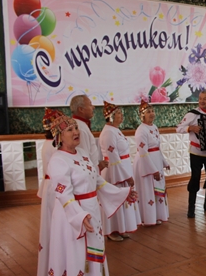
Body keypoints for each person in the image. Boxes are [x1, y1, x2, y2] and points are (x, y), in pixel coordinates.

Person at [45, 110, 138, 276]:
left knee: (94, 258)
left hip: (92, 212)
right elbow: (63, 194)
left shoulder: (84, 155)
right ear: (59, 137)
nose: (75, 131)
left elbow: (99, 182)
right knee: (78, 260)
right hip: (72, 219)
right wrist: (79, 216)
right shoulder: (58, 160)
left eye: (75, 127)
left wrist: (123, 193)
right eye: (69, 130)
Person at [99, 101, 141, 241]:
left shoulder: (115, 130)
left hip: (122, 168)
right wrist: (125, 177)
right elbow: (113, 157)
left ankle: (121, 228)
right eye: (118, 114)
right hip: (114, 172)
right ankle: (112, 231)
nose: (121, 116)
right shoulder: (108, 133)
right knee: (115, 199)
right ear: (110, 116)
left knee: (122, 199)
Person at [176, 90, 206, 217]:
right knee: (195, 178)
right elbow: (178, 128)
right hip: (196, 152)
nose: (202, 101)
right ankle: (191, 208)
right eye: (200, 98)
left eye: (205, 99)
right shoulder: (192, 114)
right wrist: (190, 128)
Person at [133, 100, 170, 225]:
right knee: (148, 190)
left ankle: (157, 216)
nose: (152, 114)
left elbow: (157, 148)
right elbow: (143, 152)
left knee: (158, 190)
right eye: (148, 112)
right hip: (145, 164)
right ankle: (147, 218)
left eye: (153, 111)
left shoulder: (154, 127)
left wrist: (164, 162)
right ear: (142, 115)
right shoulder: (141, 130)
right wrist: (152, 169)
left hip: (156, 163)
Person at [36, 108, 60, 276]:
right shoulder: (52, 147)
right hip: (54, 190)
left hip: (51, 188)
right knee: (54, 227)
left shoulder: (50, 145)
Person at [69, 94, 108, 172]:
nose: (93, 107)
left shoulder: (80, 124)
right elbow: (83, 157)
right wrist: (98, 167)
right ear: (81, 109)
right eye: (90, 105)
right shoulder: (79, 128)